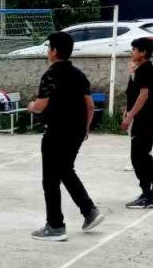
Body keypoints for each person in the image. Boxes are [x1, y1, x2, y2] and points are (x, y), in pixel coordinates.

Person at [28, 30, 103, 240]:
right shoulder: (79, 75)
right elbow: (90, 105)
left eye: (48, 48)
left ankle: (55, 226)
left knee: (50, 179)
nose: (47, 51)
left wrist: (31, 106)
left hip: (57, 132)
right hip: (76, 131)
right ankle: (89, 211)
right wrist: (85, 128)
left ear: (54, 51)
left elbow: (40, 106)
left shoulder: (51, 74)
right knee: (65, 170)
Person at [121, 37, 153, 209]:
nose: (131, 52)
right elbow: (132, 94)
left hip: (145, 118)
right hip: (144, 117)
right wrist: (127, 111)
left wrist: (130, 116)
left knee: (138, 156)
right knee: (144, 154)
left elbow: (143, 96)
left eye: (134, 49)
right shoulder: (140, 70)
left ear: (143, 52)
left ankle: (147, 195)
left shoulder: (146, 69)